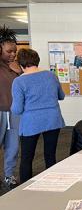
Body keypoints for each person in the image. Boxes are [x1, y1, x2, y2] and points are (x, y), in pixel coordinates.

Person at [11, 48, 65, 183]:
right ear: (37, 61)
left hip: (31, 123)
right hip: (53, 119)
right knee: (50, 155)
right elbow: (61, 96)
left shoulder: (19, 82)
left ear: (21, 65)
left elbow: (17, 109)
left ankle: (24, 190)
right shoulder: (51, 75)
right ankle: (51, 184)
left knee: (27, 158)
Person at [0, 25, 22, 188]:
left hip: (14, 113)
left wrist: (19, 72)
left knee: (13, 147)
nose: (13, 54)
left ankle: (8, 176)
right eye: (9, 51)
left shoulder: (16, 68)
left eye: (15, 51)